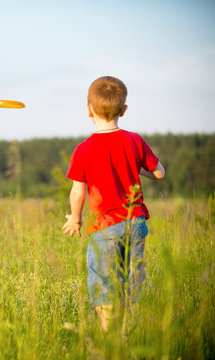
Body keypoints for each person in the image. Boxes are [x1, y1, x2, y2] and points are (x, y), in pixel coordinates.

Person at [61, 76, 165, 331]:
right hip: (136, 223)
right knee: (133, 282)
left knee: (103, 285)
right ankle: (132, 333)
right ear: (124, 110)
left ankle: (111, 340)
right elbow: (160, 172)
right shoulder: (134, 140)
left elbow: (78, 193)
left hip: (105, 226)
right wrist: (135, 167)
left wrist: (75, 219)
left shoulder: (84, 149)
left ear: (89, 110)